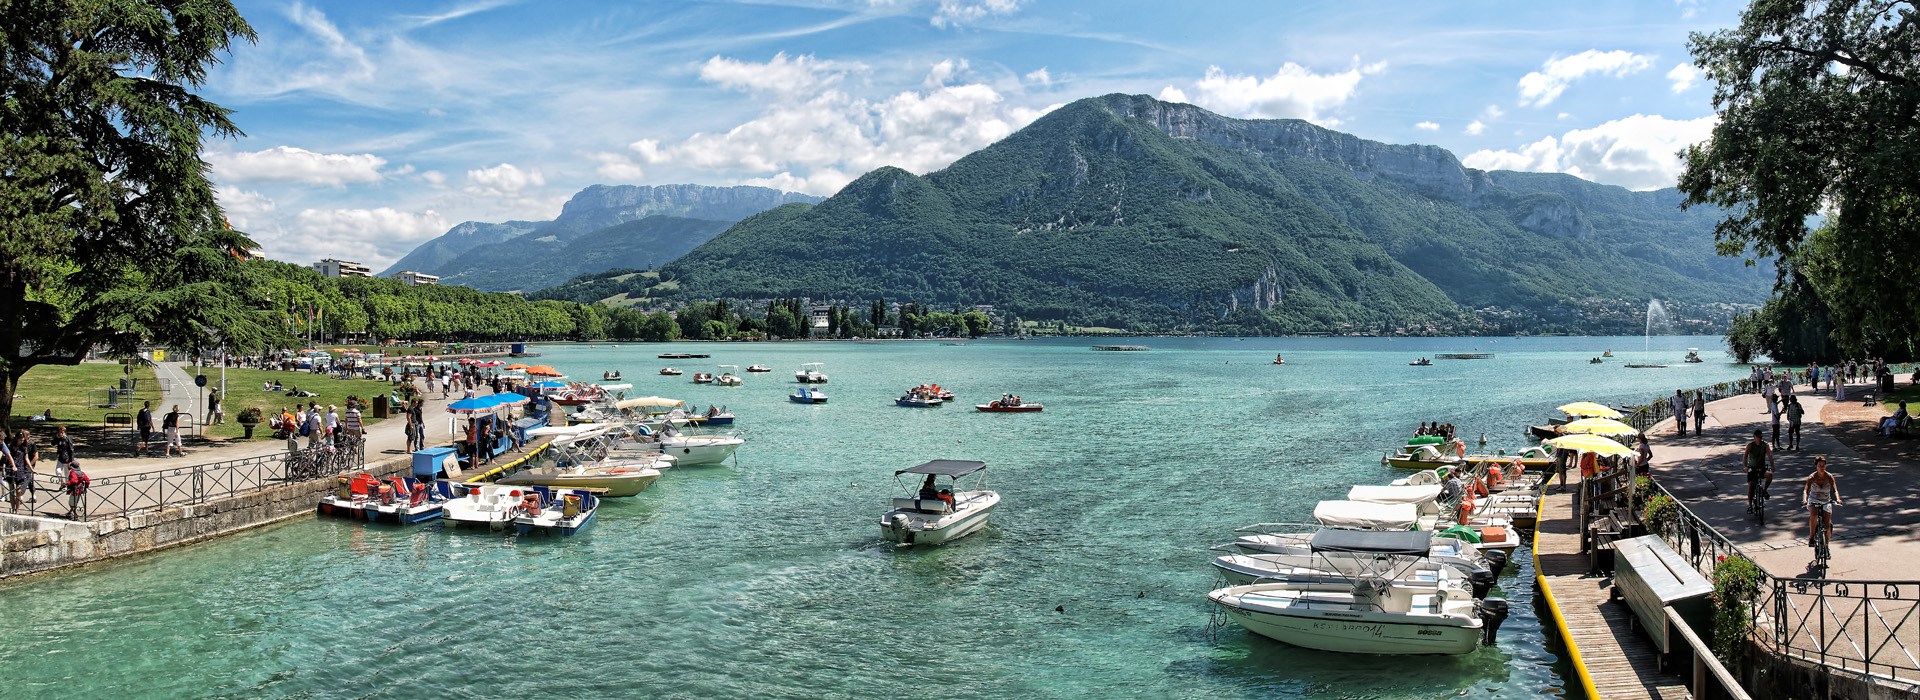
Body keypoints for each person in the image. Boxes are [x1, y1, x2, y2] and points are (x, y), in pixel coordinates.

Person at [1803, 455, 1841, 546]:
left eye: (1823, 465)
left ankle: (1826, 545)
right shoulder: (1812, 477)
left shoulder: (1829, 476)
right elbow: (1806, 490)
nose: (1821, 467)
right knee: (1814, 514)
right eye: (1820, 465)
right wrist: (1804, 499)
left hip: (1825, 500)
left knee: (1827, 524)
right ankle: (1812, 537)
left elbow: (1835, 489)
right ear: (1816, 466)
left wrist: (1838, 499)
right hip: (1814, 499)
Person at [1744, 429, 1775, 513]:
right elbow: (1745, 456)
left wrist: (1772, 465)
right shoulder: (1750, 446)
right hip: (1752, 468)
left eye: (1761, 437)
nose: (1759, 439)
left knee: (1769, 475)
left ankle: (1764, 491)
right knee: (1751, 485)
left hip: (1761, 468)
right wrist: (1745, 466)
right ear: (1754, 437)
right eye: (1758, 437)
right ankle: (1750, 506)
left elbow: (1770, 455)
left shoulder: (1765, 445)